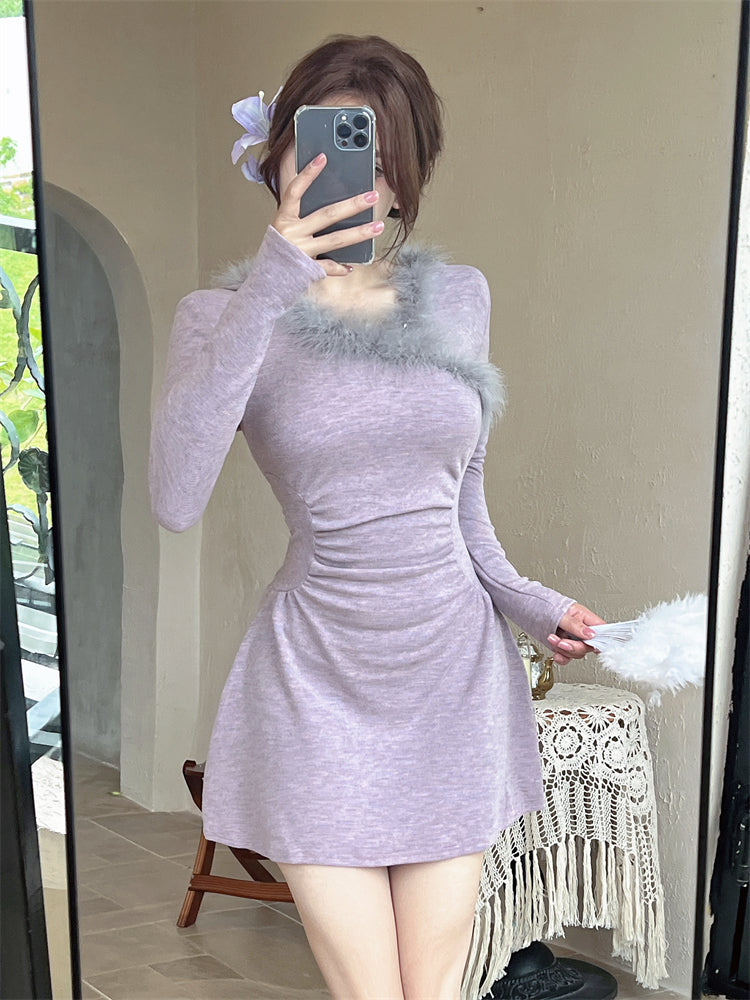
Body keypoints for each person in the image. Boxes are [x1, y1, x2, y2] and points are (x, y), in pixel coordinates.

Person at [148, 33, 604, 1000]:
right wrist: (274, 276)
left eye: (381, 160)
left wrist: (536, 605)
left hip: (451, 678)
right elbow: (174, 499)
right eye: (326, 151)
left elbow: (462, 510)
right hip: (318, 684)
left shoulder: (460, 299)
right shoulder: (219, 318)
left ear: (408, 179)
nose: (357, 183)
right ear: (278, 157)